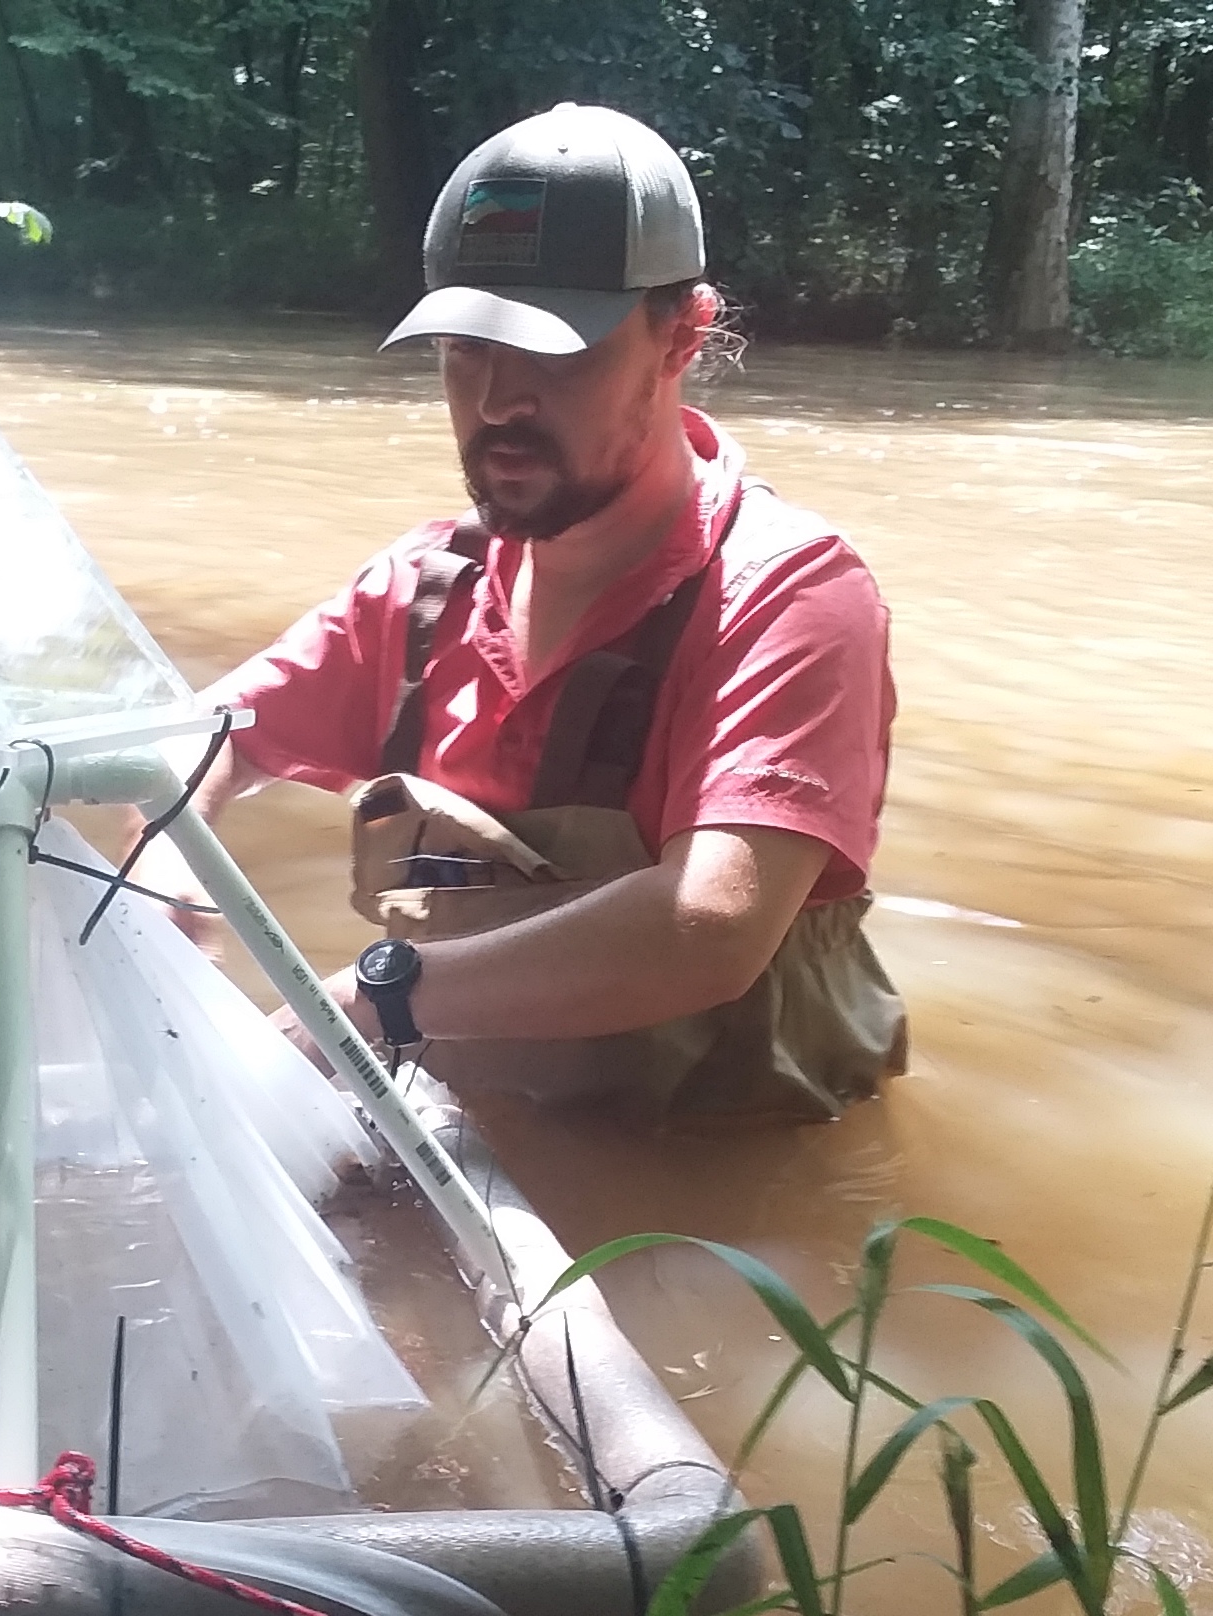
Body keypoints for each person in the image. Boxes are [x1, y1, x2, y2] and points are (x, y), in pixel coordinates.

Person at [144, 102, 906, 1124]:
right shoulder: (424, 593)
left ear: (683, 333)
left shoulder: (792, 600)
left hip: (712, 1167)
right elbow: (204, 739)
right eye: (466, 350)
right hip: (471, 1129)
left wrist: (375, 1000)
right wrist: (163, 857)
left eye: (556, 353)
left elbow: (711, 927)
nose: (498, 400)